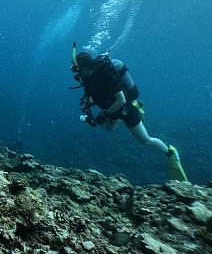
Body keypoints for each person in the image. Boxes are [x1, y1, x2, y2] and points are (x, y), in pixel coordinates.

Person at [71, 46, 188, 181]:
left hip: (124, 108)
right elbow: (90, 95)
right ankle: (132, 107)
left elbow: (121, 99)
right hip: (110, 109)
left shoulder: (106, 75)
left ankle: (171, 153)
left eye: (78, 69)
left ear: (85, 66)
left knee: (146, 141)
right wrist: (88, 111)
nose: (77, 73)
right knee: (109, 128)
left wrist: (105, 114)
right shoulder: (87, 77)